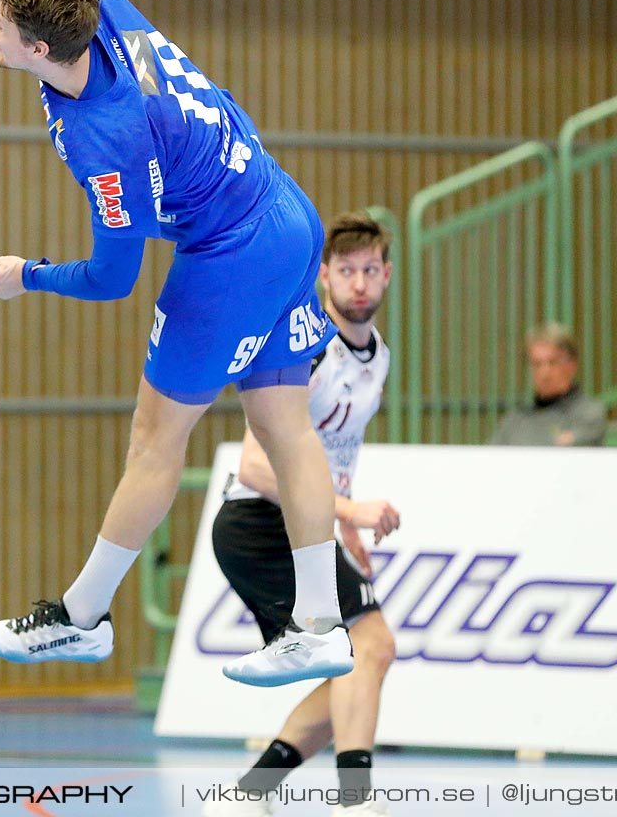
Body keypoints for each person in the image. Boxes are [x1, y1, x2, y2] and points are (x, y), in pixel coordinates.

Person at [0, 0, 350, 688]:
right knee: (282, 419)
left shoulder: (108, 139)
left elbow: (112, 277)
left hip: (229, 255)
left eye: (0, 27)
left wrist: (26, 278)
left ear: (41, 50)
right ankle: (316, 624)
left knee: (157, 433)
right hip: (282, 208)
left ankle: (84, 617)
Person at [207, 213, 399, 817]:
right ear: (324, 278)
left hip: (304, 529)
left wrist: (341, 527)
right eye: (347, 271)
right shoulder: (310, 349)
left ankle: (248, 797)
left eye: (370, 270)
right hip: (259, 522)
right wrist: (350, 510)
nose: (359, 284)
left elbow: (329, 456)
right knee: (369, 645)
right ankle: (355, 800)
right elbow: (257, 466)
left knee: (357, 659)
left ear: (387, 276)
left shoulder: (378, 359)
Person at [491, 324, 606, 447]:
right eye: (537, 364)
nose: (544, 372)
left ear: (572, 365)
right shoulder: (516, 419)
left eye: (552, 362)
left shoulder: (588, 414)